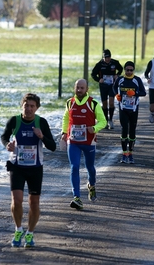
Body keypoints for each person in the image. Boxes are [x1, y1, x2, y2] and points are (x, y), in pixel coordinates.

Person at [1, 93, 56, 248]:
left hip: (35, 168)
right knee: (16, 200)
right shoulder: (14, 121)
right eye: (27, 106)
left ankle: (30, 233)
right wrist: (7, 145)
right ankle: (18, 229)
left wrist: (42, 137)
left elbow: (52, 146)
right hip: (17, 166)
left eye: (32, 106)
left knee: (34, 203)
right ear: (22, 106)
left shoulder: (41, 122)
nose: (29, 109)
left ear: (37, 108)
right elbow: (4, 137)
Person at [61, 79, 107, 210]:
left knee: (90, 167)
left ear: (87, 89)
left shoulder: (93, 103)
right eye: (77, 88)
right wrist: (64, 132)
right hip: (73, 141)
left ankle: (91, 185)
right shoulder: (70, 103)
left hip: (89, 142)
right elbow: (66, 118)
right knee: (74, 167)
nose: (79, 90)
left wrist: (95, 128)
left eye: (82, 88)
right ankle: (77, 197)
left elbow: (103, 121)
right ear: (74, 89)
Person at [113, 61, 147, 164]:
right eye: (127, 70)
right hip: (123, 109)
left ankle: (131, 153)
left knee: (132, 130)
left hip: (133, 109)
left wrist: (135, 93)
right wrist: (117, 95)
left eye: (131, 70)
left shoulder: (137, 80)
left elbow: (144, 92)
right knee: (124, 129)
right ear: (124, 70)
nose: (129, 72)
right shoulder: (120, 79)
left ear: (133, 70)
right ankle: (124, 153)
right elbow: (114, 88)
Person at [91, 49, 123, 129]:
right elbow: (93, 74)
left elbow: (121, 69)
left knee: (111, 102)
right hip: (103, 86)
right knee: (104, 104)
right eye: (105, 57)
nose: (107, 59)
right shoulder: (99, 64)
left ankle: (110, 120)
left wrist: (117, 75)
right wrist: (99, 79)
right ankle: (105, 120)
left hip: (112, 85)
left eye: (108, 57)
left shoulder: (114, 63)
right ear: (103, 57)